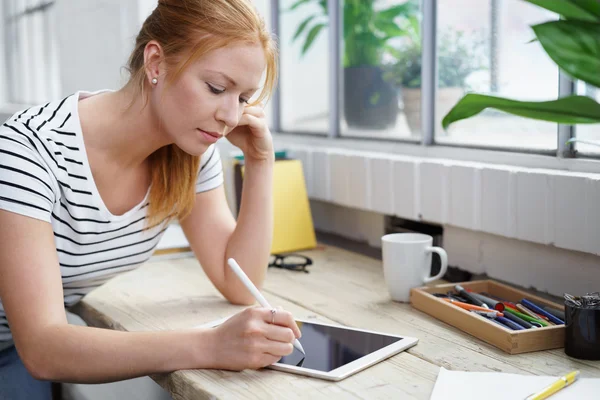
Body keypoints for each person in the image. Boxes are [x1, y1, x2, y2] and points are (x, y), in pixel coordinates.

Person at [0, 0, 302, 398]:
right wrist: (211, 346)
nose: (230, 115)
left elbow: (240, 282)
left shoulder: (190, 153)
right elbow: (43, 349)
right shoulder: (28, 152)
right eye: (216, 88)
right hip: (26, 349)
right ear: (156, 63)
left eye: (244, 98)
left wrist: (259, 161)